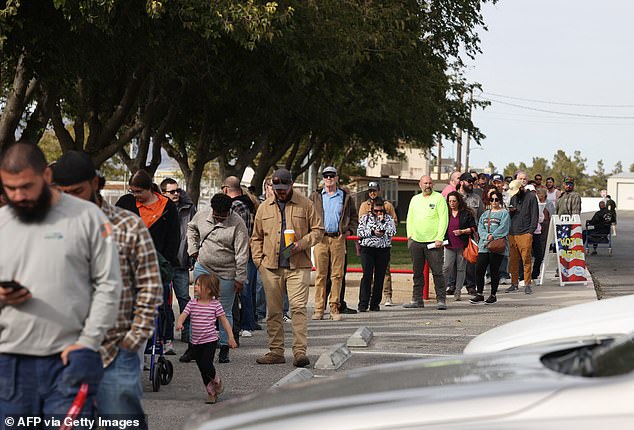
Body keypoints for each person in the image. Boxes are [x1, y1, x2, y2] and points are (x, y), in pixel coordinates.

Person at [0, 143, 122, 422]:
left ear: (46, 176)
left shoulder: (89, 217)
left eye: (26, 186)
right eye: (10, 188)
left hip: (69, 363)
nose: (18, 196)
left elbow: (109, 285)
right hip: (9, 367)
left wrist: (88, 343)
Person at [53, 151, 162, 426]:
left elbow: (150, 286)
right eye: (63, 193)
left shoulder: (128, 226)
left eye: (77, 191)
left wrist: (134, 338)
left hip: (115, 352)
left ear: (96, 183)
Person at [251, 168, 323, 367]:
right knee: (273, 312)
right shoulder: (264, 208)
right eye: (277, 188)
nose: (280, 191)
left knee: (298, 309)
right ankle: (276, 351)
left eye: (284, 187)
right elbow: (256, 237)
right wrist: (259, 262)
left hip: (298, 266)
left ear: (291, 184)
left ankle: (300, 352)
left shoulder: (306, 205)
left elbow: (318, 231)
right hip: (270, 267)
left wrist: (302, 243)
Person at [116, 170, 181, 354]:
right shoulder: (125, 203)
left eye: (138, 192)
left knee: (157, 307)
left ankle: (158, 341)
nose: (135, 196)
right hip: (128, 264)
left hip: (157, 266)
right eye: (132, 191)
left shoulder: (167, 206)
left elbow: (173, 238)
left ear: (149, 189)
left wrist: (166, 264)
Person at [187, 193, 248, 364]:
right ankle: (193, 347)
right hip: (204, 267)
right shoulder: (202, 215)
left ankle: (224, 347)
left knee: (224, 311)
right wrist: (192, 249)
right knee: (198, 308)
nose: (220, 218)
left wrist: (240, 278)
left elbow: (242, 253)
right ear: (212, 209)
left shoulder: (238, 223)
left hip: (227, 272)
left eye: (223, 215)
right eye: (217, 215)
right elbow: (191, 228)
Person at [175, 274, 237, 404]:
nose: (195, 287)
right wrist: (180, 323)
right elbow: (184, 314)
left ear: (208, 290)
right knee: (201, 367)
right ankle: (211, 392)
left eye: (198, 285)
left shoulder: (215, 305)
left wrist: (230, 337)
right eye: (195, 284)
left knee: (206, 364)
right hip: (195, 341)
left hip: (210, 340)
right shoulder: (192, 303)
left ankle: (217, 381)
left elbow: (224, 321)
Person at [309, 166, 357, 321]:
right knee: (320, 275)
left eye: (331, 176)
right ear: (323, 178)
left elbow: (354, 217)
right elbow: (306, 215)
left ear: (337, 178)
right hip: (320, 239)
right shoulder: (315, 196)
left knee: (337, 275)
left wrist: (349, 232)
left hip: (338, 239)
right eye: (326, 176)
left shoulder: (345, 196)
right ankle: (318, 308)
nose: (329, 178)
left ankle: (334, 308)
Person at [160, 178, 197, 362]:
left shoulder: (188, 208)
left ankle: (188, 333)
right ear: (163, 193)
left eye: (177, 190)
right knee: (164, 302)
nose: (176, 194)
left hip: (181, 261)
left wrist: (191, 254)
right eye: (172, 191)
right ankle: (167, 333)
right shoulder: (160, 207)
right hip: (165, 262)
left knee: (184, 298)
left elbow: (193, 233)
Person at [222, 176, 260, 338]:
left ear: (225, 189)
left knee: (241, 289)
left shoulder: (235, 207)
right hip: (251, 251)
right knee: (247, 289)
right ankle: (249, 322)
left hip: (239, 252)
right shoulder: (249, 204)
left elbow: (234, 232)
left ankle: (245, 324)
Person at [405, 175, 449, 310]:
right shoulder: (415, 199)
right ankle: (417, 299)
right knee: (417, 272)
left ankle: (441, 300)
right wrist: (410, 237)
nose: (427, 186)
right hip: (416, 241)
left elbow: (443, 218)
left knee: (437, 272)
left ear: (433, 184)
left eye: (430, 183)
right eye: (425, 183)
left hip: (433, 242)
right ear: (420, 185)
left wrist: (439, 237)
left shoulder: (439, 198)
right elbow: (410, 218)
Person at [358, 181, 398, 306]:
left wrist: (383, 225)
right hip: (368, 248)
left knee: (382, 274)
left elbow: (393, 229)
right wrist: (372, 232)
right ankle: (364, 302)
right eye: (370, 191)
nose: (372, 193)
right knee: (367, 275)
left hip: (383, 248)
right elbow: (360, 229)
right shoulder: (364, 208)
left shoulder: (388, 209)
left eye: (374, 190)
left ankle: (382, 299)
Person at [470, 190, 510, 305]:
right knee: (479, 269)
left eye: (496, 199)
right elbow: (480, 227)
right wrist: (486, 236)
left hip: (497, 245)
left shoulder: (504, 213)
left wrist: (493, 236)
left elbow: (504, 228)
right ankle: (480, 294)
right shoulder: (485, 214)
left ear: (500, 201)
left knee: (494, 270)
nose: (494, 202)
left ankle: (493, 295)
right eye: (492, 200)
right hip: (484, 245)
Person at [504, 179, 539, 295]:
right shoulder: (514, 197)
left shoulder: (531, 197)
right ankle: (514, 283)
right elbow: (510, 213)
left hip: (525, 233)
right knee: (513, 261)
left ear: (521, 188)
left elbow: (535, 215)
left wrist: (530, 232)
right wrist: (511, 211)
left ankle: (527, 283)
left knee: (526, 260)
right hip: (512, 233)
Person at [443, 192, 477, 301]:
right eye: (450, 201)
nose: (452, 203)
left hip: (462, 245)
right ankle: (441, 290)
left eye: (454, 201)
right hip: (449, 245)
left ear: (459, 201)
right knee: (446, 267)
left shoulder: (466, 213)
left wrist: (462, 231)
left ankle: (458, 291)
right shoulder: (445, 213)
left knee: (461, 269)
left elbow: (473, 228)